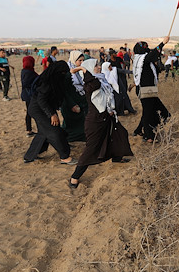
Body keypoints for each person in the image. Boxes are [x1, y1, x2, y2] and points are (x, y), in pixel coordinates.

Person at [68, 60, 133, 189]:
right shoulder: (90, 84)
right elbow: (94, 84)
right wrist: (83, 69)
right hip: (95, 122)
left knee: (120, 133)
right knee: (91, 149)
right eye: (96, 66)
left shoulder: (101, 80)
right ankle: (74, 177)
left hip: (106, 117)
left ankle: (117, 157)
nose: (99, 67)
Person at [23, 61, 77, 165]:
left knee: (44, 132)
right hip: (38, 109)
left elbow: (63, 94)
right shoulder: (46, 82)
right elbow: (41, 100)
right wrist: (52, 114)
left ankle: (29, 156)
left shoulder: (56, 81)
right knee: (54, 131)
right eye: (62, 73)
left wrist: (72, 105)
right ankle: (64, 157)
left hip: (43, 108)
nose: (64, 75)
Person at [132, 37, 171, 143]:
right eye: (145, 47)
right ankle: (148, 136)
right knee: (150, 112)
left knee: (150, 111)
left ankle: (139, 130)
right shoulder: (142, 59)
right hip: (146, 90)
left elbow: (153, 55)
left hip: (148, 89)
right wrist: (163, 43)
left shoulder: (139, 59)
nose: (147, 49)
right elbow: (153, 54)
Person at [21, 55, 39, 137]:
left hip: (27, 95)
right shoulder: (29, 72)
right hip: (30, 96)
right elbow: (26, 84)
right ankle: (33, 130)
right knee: (33, 112)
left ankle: (29, 130)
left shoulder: (24, 70)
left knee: (29, 112)